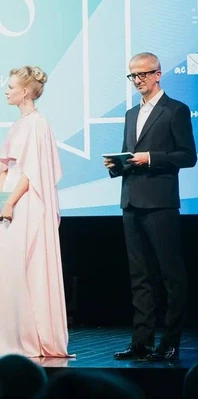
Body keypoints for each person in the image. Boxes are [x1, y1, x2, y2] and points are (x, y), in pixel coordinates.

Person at [104, 52, 196, 362]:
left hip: (160, 203)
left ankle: (169, 343)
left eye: (143, 74)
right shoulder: (131, 114)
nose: (137, 80)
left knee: (171, 276)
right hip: (131, 201)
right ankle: (141, 343)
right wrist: (116, 165)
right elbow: (127, 156)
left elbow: (188, 156)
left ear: (158, 74)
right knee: (139, 277)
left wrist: (151, 158)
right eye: (133, 75)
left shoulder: (175, 110)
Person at [0, 66, 70, 358]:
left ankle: (32, 335)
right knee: (10, 268)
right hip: (13, 202)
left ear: (26, 91)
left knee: (26, 264)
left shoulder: (37, 124)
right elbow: (7, 167)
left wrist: (10, 201)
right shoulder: (19, 124)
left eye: (11, 87)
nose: (6, 91)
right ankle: (11, 335)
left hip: (28, 203)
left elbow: (32, 172)